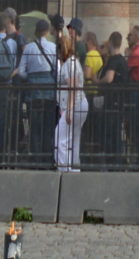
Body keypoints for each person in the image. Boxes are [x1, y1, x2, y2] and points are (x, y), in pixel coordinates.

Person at [53, 27, 87, 171]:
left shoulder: (69, 64)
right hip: (78, 104)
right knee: (73, 139)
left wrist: (68, 109)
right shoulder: (73, 62)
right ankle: (73, 168)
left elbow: (72, 87)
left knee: (60, 138)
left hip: (75, 105)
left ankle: (64, 169)